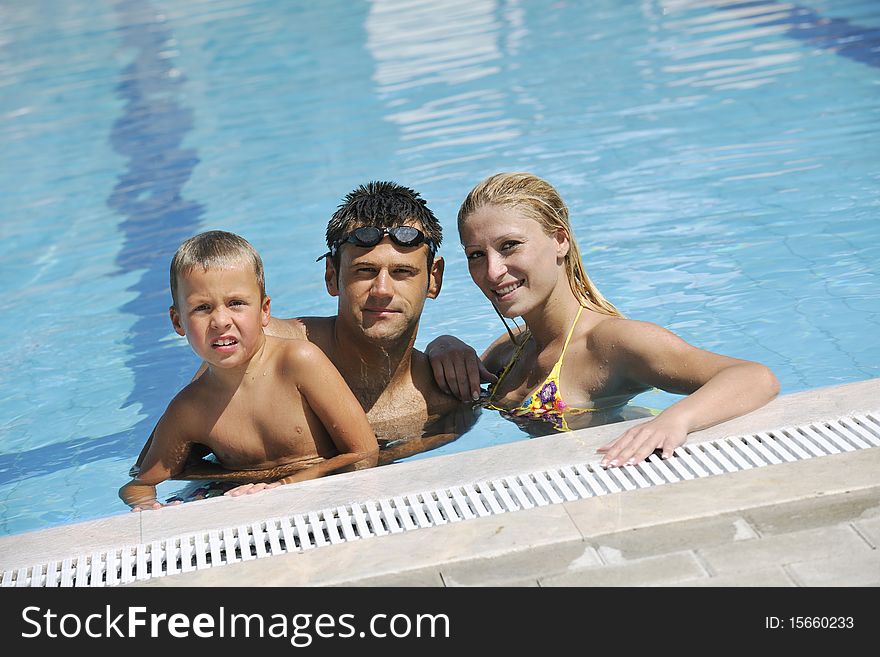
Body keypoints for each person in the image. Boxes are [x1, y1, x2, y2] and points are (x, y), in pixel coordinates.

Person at [129, 182, 475, 500]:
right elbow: (153, 467)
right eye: (364, 271)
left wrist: (443, 343)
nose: (382, 291)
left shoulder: (448, 390)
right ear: (331, 276)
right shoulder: (262, 348)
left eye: (402, 273)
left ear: (434, 279)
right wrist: (231, 482)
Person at [426, 172, 780, 467]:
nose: (493, 271)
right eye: (476, 254)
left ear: (560, 240)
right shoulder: (511, 349)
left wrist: (674, 421)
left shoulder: (610, 343)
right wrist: (443, 344)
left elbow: (753, 377)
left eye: (510, 246)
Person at [120, 230, 379, 510]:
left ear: (264, 310)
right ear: (178, 321)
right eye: (202, 308)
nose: (220, 321)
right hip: (243, 501)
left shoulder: (298, 362)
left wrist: (286, 486)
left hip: (328, 494)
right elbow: (140, 483)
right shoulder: (190, 409)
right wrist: (147, 506)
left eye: (236, 303)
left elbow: (364, 451)